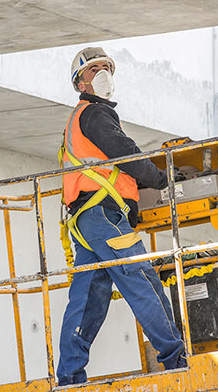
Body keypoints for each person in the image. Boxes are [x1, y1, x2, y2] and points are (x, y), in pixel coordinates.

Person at [57, 47, 186, 386]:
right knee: (142, 280)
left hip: (87, 221)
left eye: (106, 68)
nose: (102, 75)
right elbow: (125, 154)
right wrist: (163, 177)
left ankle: (70, 376)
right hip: (103, 217)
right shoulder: (96, 114)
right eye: (94, 70)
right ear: (80, 82)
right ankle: (176, 359)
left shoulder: (80, 118)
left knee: (88, 298)